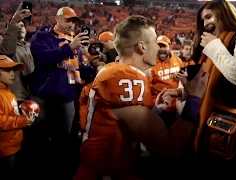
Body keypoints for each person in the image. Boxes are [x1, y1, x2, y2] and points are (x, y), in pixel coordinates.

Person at [74, 15, 208, 180]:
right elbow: (170, 146)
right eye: (154, 42)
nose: (158, 49)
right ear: (142, 46)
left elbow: (124, 124)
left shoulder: (115, 69)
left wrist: (155, 111)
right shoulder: (126, 78)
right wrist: (194, 99)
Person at [168, 0, 236, 178]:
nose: (206, 23)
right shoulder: (212, 45)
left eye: (209, 16)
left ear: (224, 13)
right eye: (202, 20)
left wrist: (214, 46)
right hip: (212, 130)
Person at [29, 6, 89, 178]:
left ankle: (57, 170)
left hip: (67, 96)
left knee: (62, 138)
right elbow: (42, 59)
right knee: (37, 136)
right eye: (68, 20)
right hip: (43, 94)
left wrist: (97, 68)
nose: (71, 24)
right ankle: (36, 170)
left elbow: (79, 68)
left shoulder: (73, 42)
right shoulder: (42, 36)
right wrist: (70, 47)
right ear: (58, 18)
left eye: (74, 21)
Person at [0, 55, 34, 179]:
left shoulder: (9, 92)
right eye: (7, 70)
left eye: (13, 70)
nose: (12, 74)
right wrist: (23, 121)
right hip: (5, 148)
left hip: (14, 144)